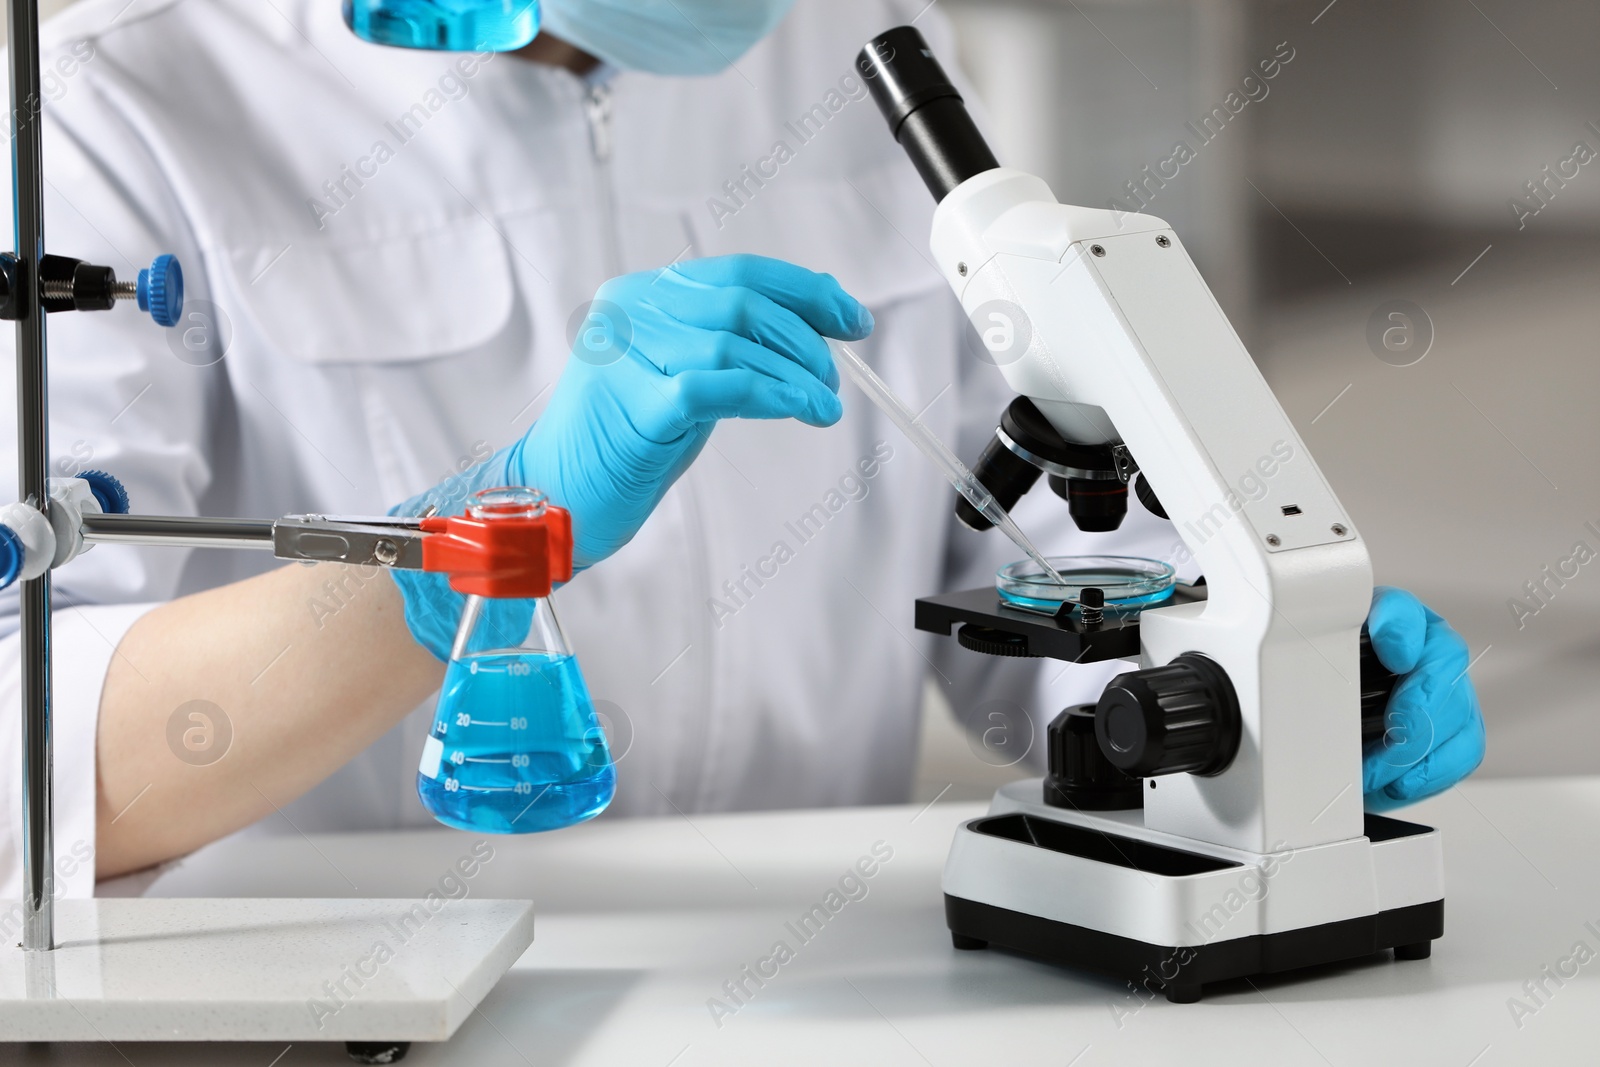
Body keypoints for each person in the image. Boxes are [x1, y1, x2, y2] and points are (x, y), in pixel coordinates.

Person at [0, 0, 1483, 896]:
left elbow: (1011, 548)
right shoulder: (113, 113)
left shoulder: (852, 44)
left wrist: (1236, 682)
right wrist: (474, 545)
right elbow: (39, 768)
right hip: (360, 1007)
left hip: (809, 981)